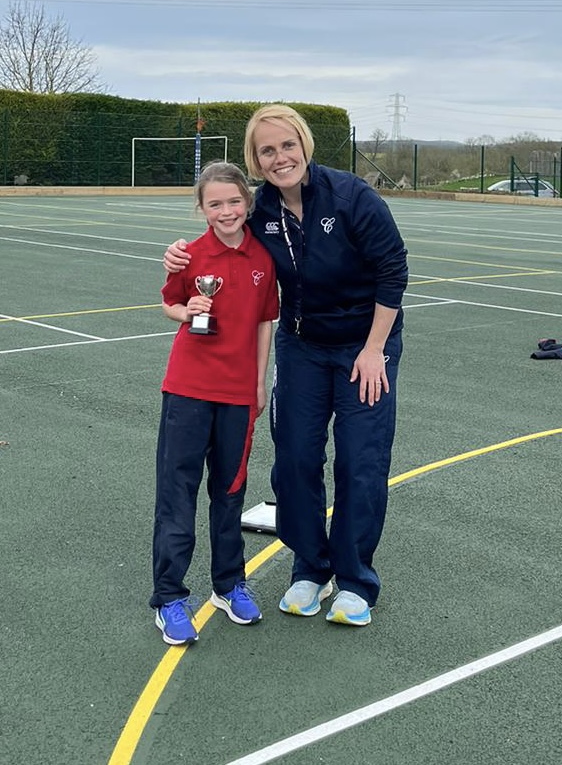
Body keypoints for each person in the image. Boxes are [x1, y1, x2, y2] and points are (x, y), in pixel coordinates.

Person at [163, 105, 408, 627]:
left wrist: (372, 350)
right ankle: (310, 569)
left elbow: (393, 270)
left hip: (366, 344)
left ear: (304, 145)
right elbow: (220, 236)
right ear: (256, 160)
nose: (280, 158)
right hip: (301, 347)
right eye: (267, 150)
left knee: (360, 462)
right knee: (295, 459)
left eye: (287, 145)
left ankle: (355, 579)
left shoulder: (352, 197)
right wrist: (179, 258)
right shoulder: (260, 210)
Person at [151, 161, 279, 645]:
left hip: (239, 394)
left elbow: (267, 321)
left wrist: (261, 381)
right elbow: (169, 305)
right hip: (187, 390)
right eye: (215, 203)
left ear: (247, 202)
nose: (226, 211)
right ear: (201, 209)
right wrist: (187, 310)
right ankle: (169, 596)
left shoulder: (263, 259)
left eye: (234, 201)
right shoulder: (187, 257)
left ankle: (228, 585)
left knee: (228, 493)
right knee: (177, 494)